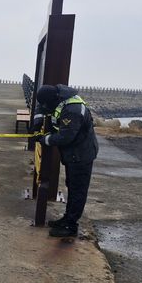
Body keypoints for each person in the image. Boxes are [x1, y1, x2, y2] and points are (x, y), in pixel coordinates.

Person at [32, 84, 98, 237]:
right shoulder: (58, 97)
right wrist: (37, 123)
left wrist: (45, 139)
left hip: (81, 155)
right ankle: (67, 218)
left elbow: (65, 137)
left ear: (53, 100)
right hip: (73, 154)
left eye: (47, 105)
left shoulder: (73, 110)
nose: (46, 107)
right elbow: (41, 107)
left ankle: (71, 226)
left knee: (77, 190)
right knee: (71, 186)